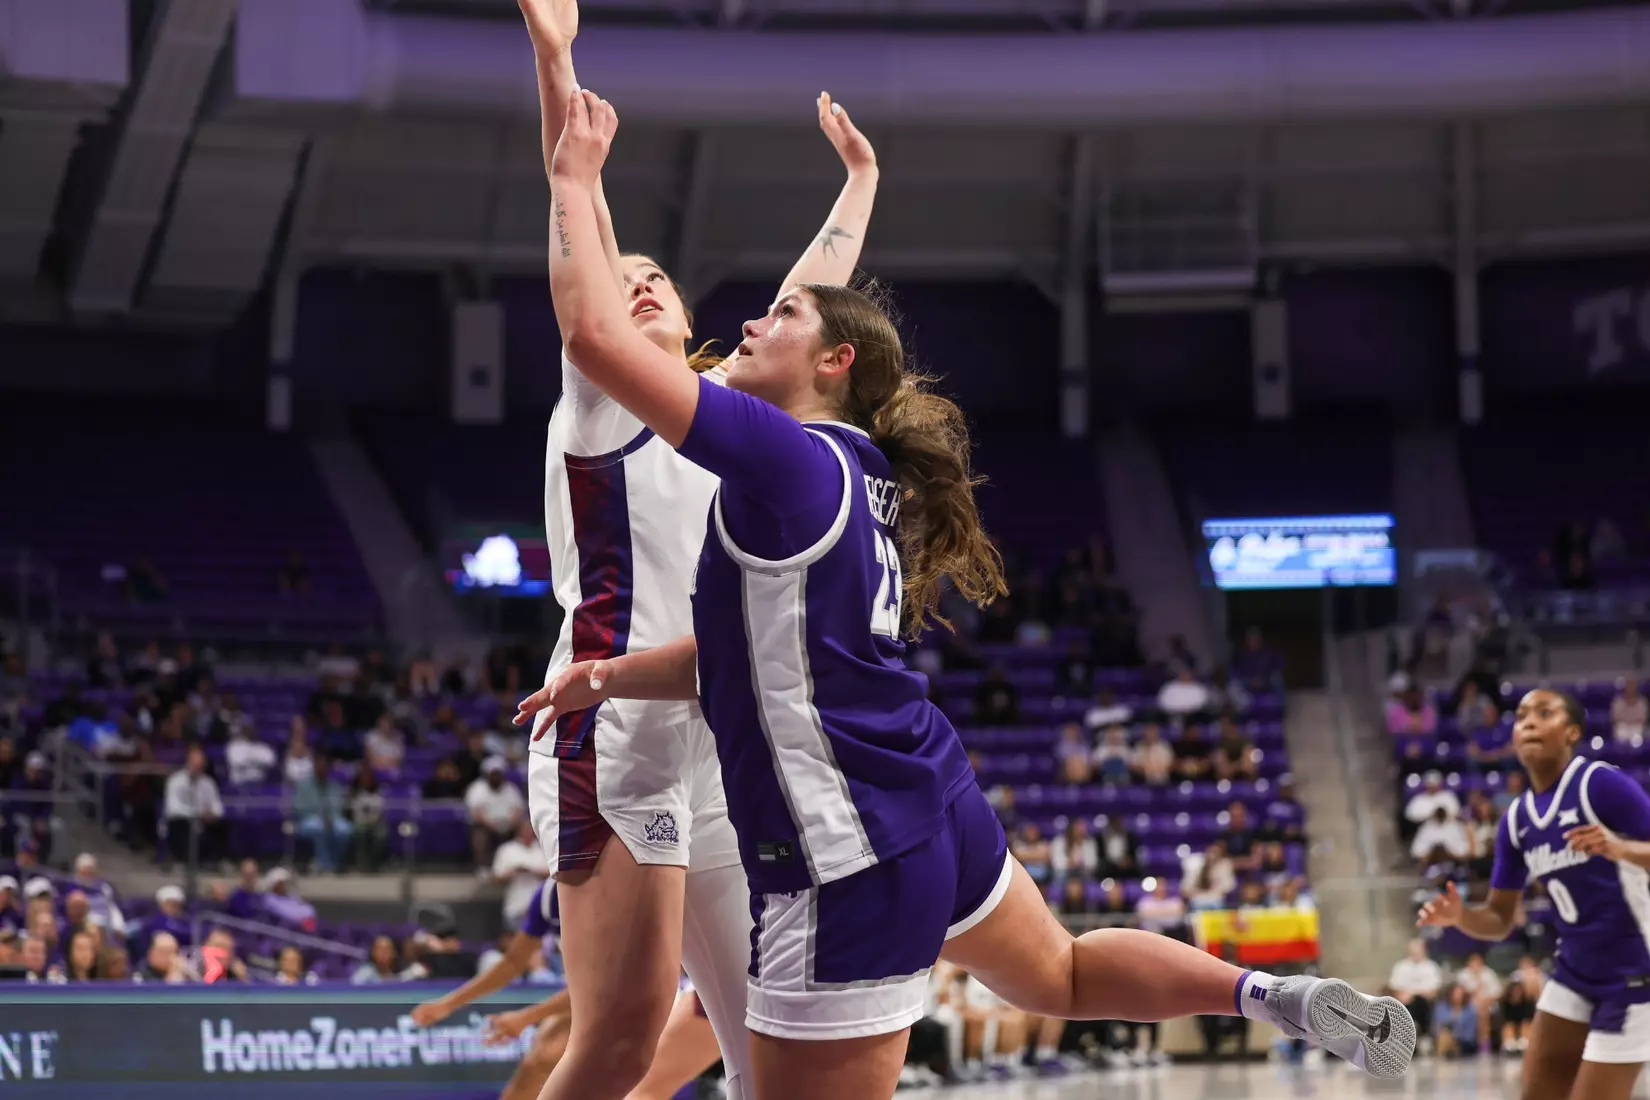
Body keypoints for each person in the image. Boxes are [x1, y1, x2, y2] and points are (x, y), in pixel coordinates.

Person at [516, 86, 1414, 1099]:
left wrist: (571, 171)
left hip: (844, 838)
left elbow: (595, 335)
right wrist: (611, 675)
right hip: (927, 789)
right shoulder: (863, 470)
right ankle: (1271, 996)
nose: (751, 320)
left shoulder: (778, 457)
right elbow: (740, 643)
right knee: (1062, 970)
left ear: (829, 362)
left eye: (776, 317)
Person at [515, 2, 885, 1097]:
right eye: (619, 272)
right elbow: (570, 195)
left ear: (691, 317)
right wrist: (556, 59)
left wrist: (859, 184)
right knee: (622, 1038)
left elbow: (806, 307)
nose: (637, 278)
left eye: (656, 273)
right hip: (611, 724)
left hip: (717, 742)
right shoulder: (601, 395)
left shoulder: (722, 401)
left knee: (762, 1034)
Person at [1419, 688, 1650, 1100]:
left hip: (1634, 972)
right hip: (1573, 971)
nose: (1527, 722)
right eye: (1522, 714)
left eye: (1544, 713)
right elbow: (1499, 918)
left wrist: (1620, 849)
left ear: (1571, 733)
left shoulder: (1599, 784)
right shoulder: (1517, 821)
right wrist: (1461, 916)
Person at [411, 883, 723, 1100]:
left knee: (637, 1087)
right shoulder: (551, 895)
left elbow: (612, 986)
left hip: (652, 995)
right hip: (601, 1000)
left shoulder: (620, 892)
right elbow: (513, 962)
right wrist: (449, 1004)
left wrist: (524, 1018)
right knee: (540, 1061)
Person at [161, 744, 225, 868]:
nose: (197, 769)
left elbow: (218, 807)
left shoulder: (208, 783)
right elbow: (173, 809)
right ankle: (182, 860)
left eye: (200, 767)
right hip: (182, 823)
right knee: (180, 825)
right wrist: (198, 814)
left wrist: (212, 814)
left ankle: (214, 861)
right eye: (194, 765)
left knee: (222, 825)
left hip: (204, 823)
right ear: (188, 763)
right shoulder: (175, 781)